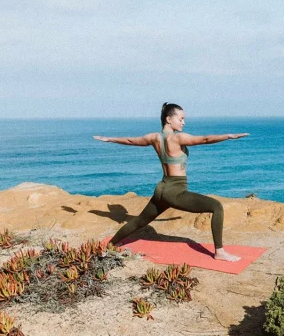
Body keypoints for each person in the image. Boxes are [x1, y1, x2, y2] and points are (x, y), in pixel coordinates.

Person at [94, 103, 249, 262]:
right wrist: (228, 136)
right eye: (180, 119)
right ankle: (220, 252)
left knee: (139, 221)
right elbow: (204, 139)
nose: (183, 122)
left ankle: (108, 247)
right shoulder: (177, 138)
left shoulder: (153, 137)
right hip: (175, 191)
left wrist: (110, 139)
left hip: (162, 189)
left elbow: (130, 140)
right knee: (216, 207)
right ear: (169, 119)